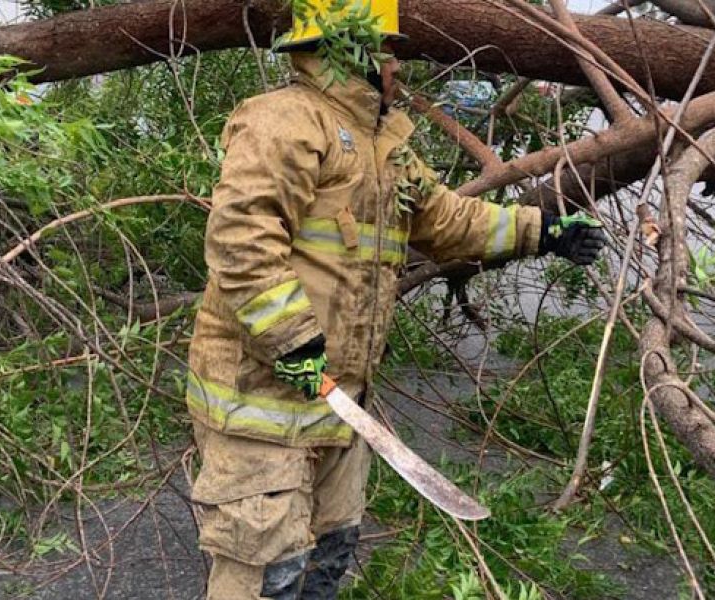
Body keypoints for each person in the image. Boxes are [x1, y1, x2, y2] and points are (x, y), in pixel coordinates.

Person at [184, 1, 607, 597]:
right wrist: (289, 335)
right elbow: (241, 238)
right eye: (385, 52)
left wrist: (542, 231)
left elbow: (446, 219)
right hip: (261, 404)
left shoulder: (385, 146)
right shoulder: (284, 122)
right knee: (264, 575)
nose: (395, 67)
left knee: (327, 559)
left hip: (338, 404)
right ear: (346, 52)